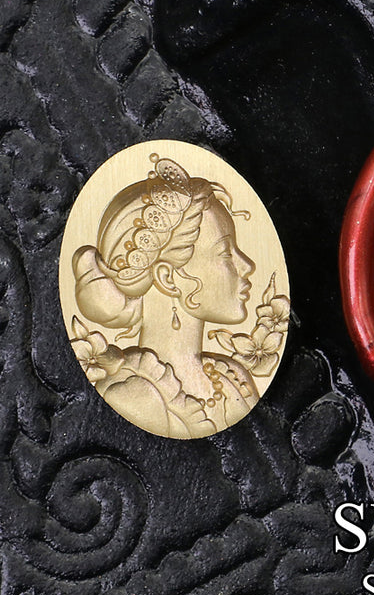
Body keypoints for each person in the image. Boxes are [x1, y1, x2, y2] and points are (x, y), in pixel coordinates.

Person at [70, 153, 260, 438]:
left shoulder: (232, 376)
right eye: (225, 252)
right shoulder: (133, 396)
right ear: (168, 279)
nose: (248, 265)